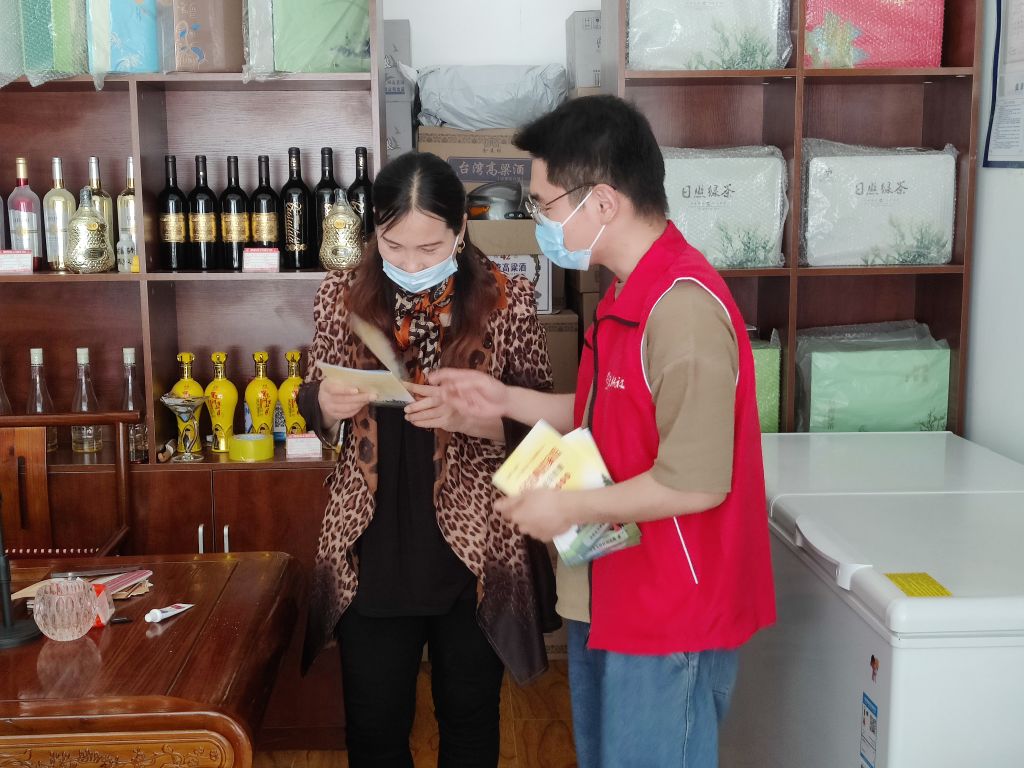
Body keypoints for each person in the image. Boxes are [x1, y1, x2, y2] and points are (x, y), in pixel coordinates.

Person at [431, 95, 776, 767]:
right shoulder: (623, 293)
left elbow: (697, 484)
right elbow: (601, 411)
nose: (539, 221)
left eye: (545, 205)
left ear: (604, 202)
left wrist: (568, 507)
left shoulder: (682, 311)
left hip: (671, 606)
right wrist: (505, 398)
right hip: (613, 585)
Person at [297, 151, 557, 768]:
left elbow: (545, 424)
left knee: (469, 719)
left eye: (429, 248)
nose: (411, 264)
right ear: (375, 231)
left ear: (460, 231)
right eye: (394, 246)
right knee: (373, 725)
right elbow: (313, 398)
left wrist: (475, 419)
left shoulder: (507, 300)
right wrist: (326, 404)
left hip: (476, 547)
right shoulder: (341, 294)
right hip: (372, 540)